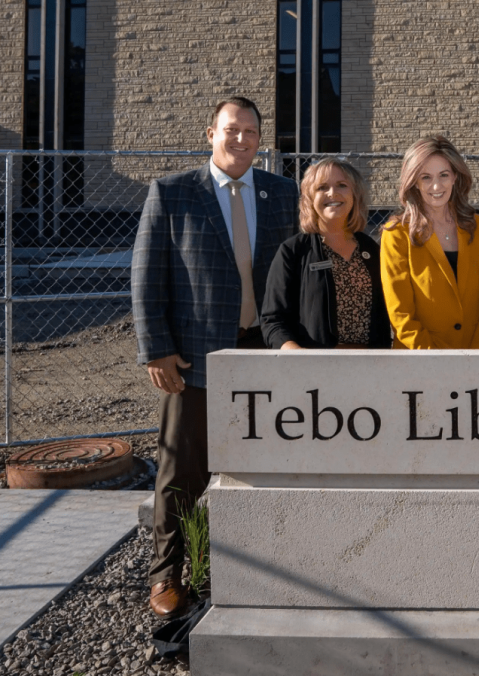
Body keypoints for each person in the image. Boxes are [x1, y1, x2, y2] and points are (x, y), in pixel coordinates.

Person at [131, 96, 299, 617]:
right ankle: (166, 577)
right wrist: (156, 347)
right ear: (210, 134)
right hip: (198, 357)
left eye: (251, 131)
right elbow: (145, 275)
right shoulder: (174, 193)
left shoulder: (282, 193)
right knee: (182, 470)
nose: (242, 139)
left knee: (268, 463)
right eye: (232, 130)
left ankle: (270, 569)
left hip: (266, 353)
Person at [380, 135, 479, 349]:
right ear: (414, 182)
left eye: (443, 175)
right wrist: (440, 361)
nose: (436, 185)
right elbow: (401, 315)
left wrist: (473, 356)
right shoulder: (396, 234)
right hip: (422, 362)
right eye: (425, 177)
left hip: (477, 359)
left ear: (455, 176)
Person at [261, 159, 391, 350]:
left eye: (342, 185)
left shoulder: (371, 249)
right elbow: (273, 320)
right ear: (310, 199)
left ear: (355, 194)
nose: (333, 193)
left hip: (370, 367)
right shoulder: (293, 251)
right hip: (315, 369)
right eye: (322, 187)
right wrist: (295, 352)